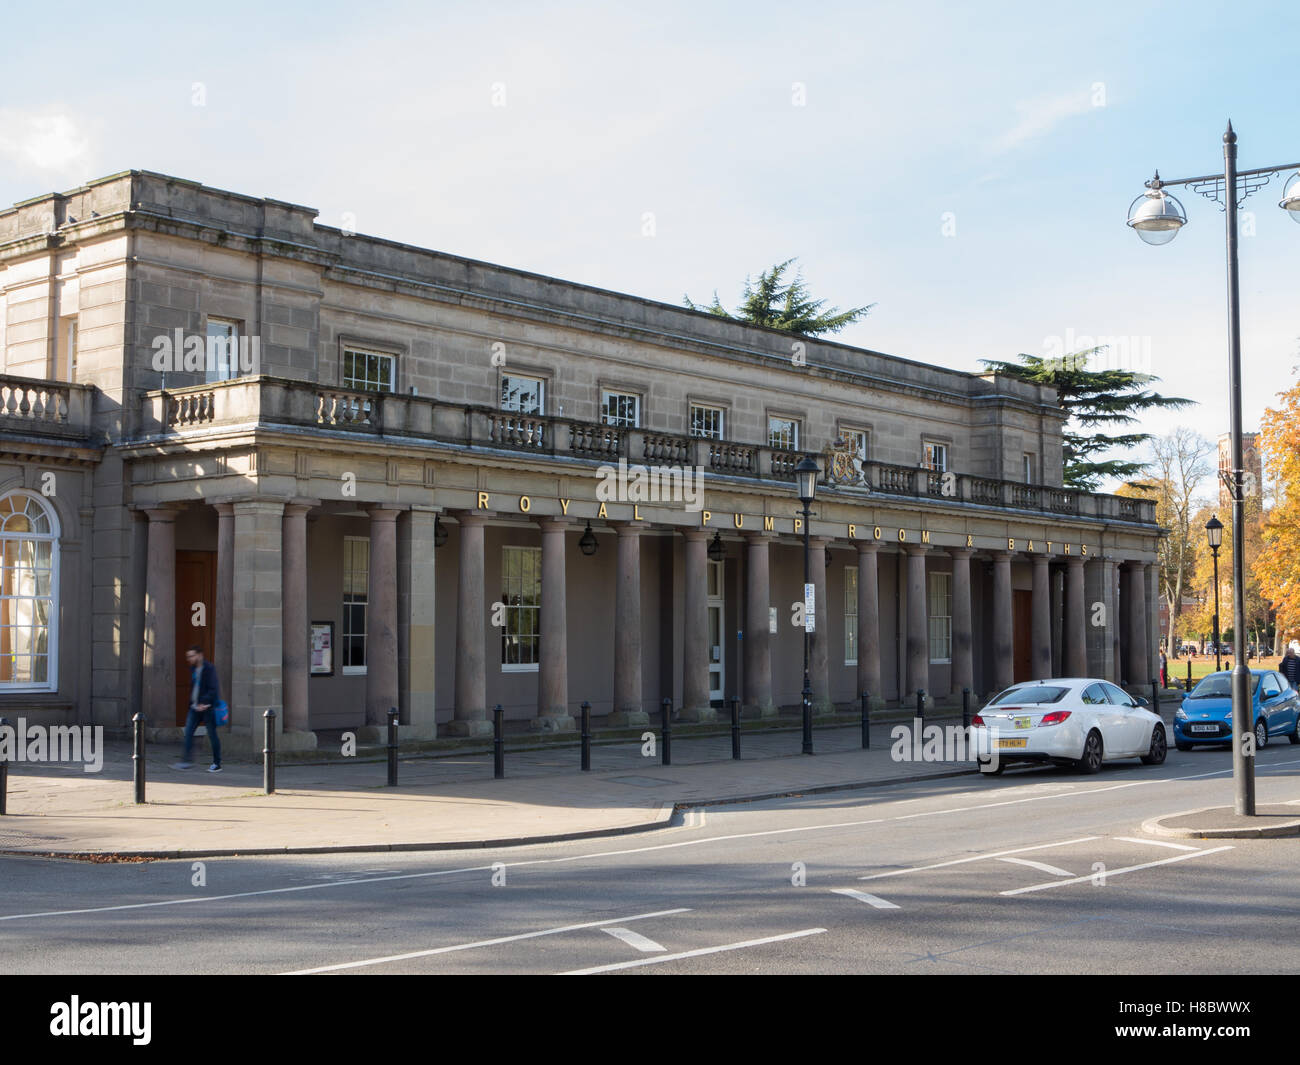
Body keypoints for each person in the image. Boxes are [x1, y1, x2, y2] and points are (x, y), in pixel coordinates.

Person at [173, 645, 222, 772]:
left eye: (192, 655)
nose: (189, 658)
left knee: (212, 735)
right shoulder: (193, 668)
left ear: (200, 655)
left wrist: (205, 702)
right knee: (188, 732)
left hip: (207, 708)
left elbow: (213, 688)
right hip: (195, 707)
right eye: (188, 656)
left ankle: (217, 763)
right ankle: (186, 761)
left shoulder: (209, 669)